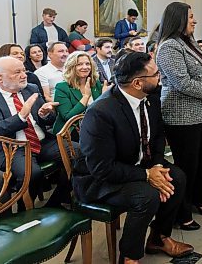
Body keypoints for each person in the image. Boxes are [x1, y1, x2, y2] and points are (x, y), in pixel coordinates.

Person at [72, 52, 193, 263]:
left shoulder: (151, 99)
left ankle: (158, 237)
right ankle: (129, 256)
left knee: (177, 177)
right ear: (137, 83)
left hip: (137, 164)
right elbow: (101, 168)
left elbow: (157, 136)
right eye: (156, 74)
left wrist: (156, 165)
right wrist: (147, 174)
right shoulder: (101, 112)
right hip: (99, 180)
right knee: (147, 195)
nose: (160, 77)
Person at [156, 2, 202, 230]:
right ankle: (181, 212)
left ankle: (199, 200)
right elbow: (182, 83)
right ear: (178, 20)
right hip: (181, 114)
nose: (194, 21)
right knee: (188, 165)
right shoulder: (168, 47)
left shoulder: (187, 43)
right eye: (190, 17)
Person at [0, 57, 68, 207]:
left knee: (81, 154)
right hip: (12, 148)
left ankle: (55, 203)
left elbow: (48, 119)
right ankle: (25, 214)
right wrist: (19, 118)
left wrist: (45, 114)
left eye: (24, 70)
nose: (24, 75)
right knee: (31, 174)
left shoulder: (31, 88)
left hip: (42, 141)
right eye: (17, 72)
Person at [53, 51, 109, 134]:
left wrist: (105, 97)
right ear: (71, 67)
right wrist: (86, 97)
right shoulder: (62, 87)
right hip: (71, 132)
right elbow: (67, 117)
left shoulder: (95, 83)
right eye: (79, 64)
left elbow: (102, 112)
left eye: (87, 64)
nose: (85, 67)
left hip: (96, 127)